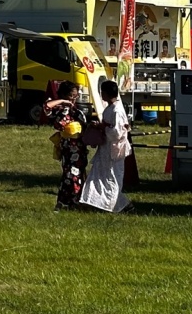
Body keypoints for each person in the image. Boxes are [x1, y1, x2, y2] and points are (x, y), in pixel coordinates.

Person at [80, 79, 133, 213]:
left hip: (114, 148)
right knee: (100, 174)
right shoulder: (110, 108)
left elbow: (117, 132)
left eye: (102, 92)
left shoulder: (117, 110)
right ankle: (102, 203)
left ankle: (112, 203)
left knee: (111, 176)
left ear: (106, 93)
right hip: (106, 147)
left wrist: (102, 129)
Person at [42, 80, 88, 211]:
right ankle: (69, 202)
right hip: (68, 147)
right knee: (70, 175)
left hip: (79, 147)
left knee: (78, 174)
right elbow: (46, 107)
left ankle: (73, 202)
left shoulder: (77, 111)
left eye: (76, 95)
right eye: (72, 95)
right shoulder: (59, 109)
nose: (74, 98)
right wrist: (63, 101)